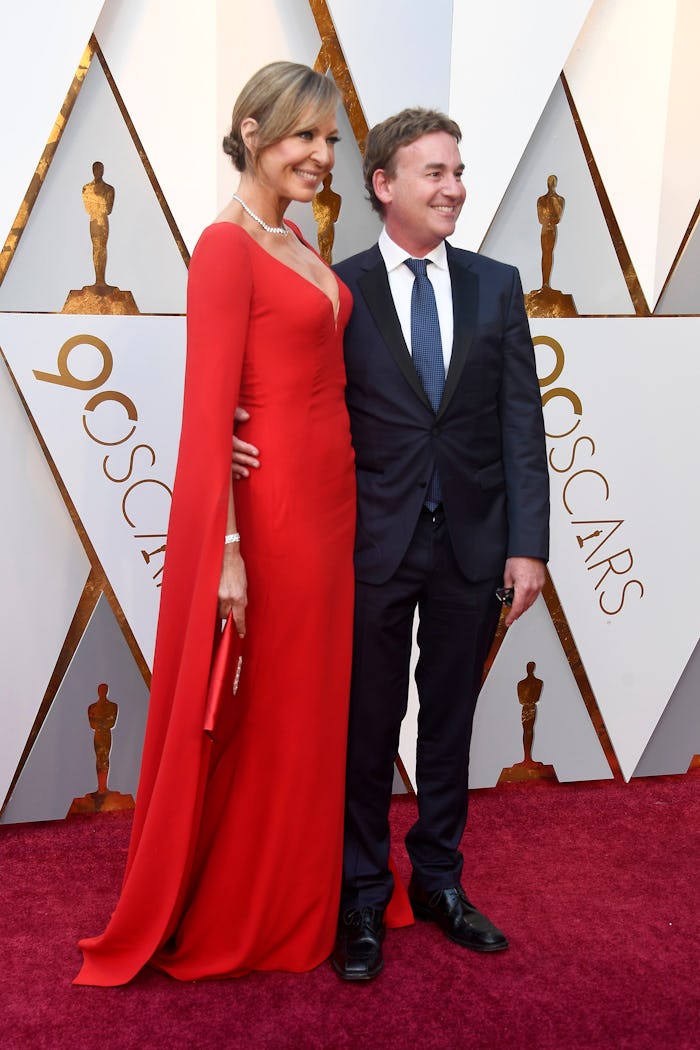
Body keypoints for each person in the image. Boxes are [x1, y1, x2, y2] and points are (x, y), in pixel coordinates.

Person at [234, 108, 549, 981]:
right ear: (383, 184)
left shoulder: (497, 285)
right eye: (433, 173)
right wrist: (229, 425)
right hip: (368, 543)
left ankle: (440, 882)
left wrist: (529, 545)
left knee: (450, 723)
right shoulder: (338, 292)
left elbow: (522, 424)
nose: (453, 188)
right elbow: (294, 393)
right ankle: (362, 894)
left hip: (475, 547)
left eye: (458, 171)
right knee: (364, 727)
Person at [75, 61, 359, 985]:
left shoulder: (294, 239)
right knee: (272, 709)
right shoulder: (225, 246)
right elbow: (209, 408)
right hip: (276, 513)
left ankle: (302, 894)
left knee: (310, 707)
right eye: (304, 135)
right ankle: (258, 909)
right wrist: (227, 549)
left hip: (331, 504)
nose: (322, 155)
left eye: (329, 139)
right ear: (251, 131)